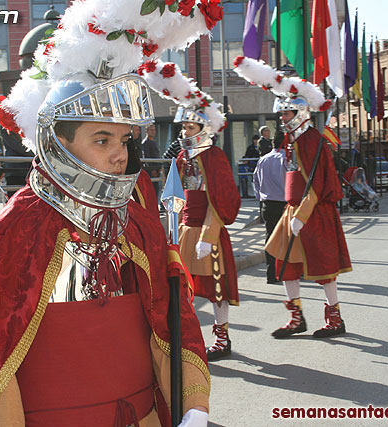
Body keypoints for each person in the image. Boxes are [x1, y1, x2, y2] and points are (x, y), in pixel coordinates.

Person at [0, 2, 217, 425]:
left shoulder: (136, 221)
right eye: (102, 140)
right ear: (57, 143)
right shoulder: (12, 231)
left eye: (124, 140)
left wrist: (192, 403)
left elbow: (171, 319)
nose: (120, 155)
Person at [234, 56, 352, 339]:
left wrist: (302, 214)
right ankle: (296, 317)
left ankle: (335, 318)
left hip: (313, 211)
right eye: (281, 115)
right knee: (284, 264)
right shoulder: (292, 141)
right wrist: (294, 213)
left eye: (286, 114)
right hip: (293, 210)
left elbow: (317, 182)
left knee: (323, 268)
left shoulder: (313, 140)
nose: (282, 119)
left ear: (300, 113)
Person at [141, 60, 241, 361]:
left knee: (216, 287)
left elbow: (220, 198)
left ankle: (222, 338)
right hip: (185, 229)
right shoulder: (184, 155)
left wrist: (209, 235)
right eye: (183, 125)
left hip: (207, 231)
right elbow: (175, 195)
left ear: (203, 127)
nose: (185, 130)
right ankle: (188, 338)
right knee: (184, 288)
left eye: (190, 125)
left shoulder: (214, 156)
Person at [253, 136, 287, 284]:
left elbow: (255, 180)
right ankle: (288, 271)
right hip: (284, 202)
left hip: (267, 203)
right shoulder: (286, 159)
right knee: (288, 238)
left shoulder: (263, 159)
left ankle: (271, 273)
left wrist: (260, 198)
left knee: (270, 238)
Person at [142, 124, 162, 196]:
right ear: (146, 131)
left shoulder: (154, 142)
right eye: (151, 130)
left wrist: (159, 168)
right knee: (151, 192)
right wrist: (152, 170)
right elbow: (146, 158)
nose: (153, 132)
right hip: (151, 171)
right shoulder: (145, 143)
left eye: (154, 130)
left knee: (156, 191)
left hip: (156, 170)